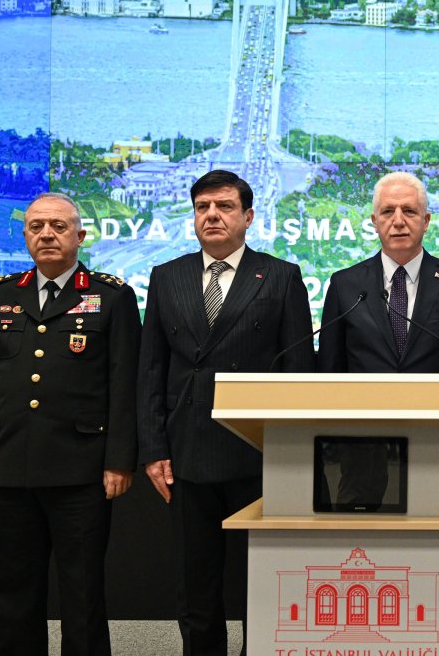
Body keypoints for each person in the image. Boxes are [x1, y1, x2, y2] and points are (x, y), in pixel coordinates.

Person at [0, 192, 140, 656]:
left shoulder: (110, 296)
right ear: (25, 237)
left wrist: (121, 460)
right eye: (36, 226)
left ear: (80, 236)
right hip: (10, 466)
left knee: (82, 592)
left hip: (81, 471)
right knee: (14, 590)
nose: (46, 235)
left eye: (58, 226)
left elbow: (124, 385)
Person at [137, 170, 314, 655]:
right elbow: (151, 370)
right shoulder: (166, 277)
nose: (212, 215)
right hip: (187, 454)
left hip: (259, 454)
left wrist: (295, 454)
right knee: (196, 585)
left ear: (248, 216)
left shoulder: (280, 276)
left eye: (224, 206)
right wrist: (153, 449)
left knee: (262, 582)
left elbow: (300, 373)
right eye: (202, 208)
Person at [317, 171, 439, 489]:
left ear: (426, 220)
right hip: (361, 446)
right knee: (363, 536)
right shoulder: (345, 285)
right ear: (374, 221)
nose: (398, 221)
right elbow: (331, 369)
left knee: (435, 537)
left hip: (438, 441)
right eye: (388, 211)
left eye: (409, 211)